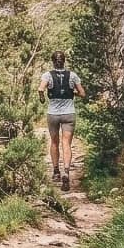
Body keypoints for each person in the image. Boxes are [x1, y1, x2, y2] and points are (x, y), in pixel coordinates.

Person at [39, 50, 85, 191]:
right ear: (64, 61)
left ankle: (56, 171)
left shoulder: (47, 75)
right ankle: (66, 171)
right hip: (68, 114)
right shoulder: (72, 75)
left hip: (53, 114)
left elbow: (41, 88)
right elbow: (83, 94)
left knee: (54, 142)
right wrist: (73, 93)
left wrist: (42, 96)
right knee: (66, 144)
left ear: (53, 61)